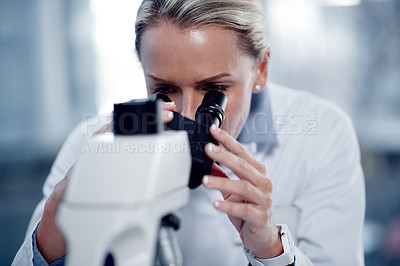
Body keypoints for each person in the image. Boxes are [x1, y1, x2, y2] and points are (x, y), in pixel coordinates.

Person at [12, 0, 365, 265]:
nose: (186, 115)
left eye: (213, 91)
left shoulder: (324, 135)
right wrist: (58, 218)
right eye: (164, 89)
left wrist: (271, 248)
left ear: (262, 70)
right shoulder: (94, 141)